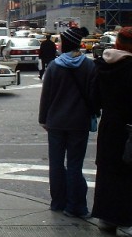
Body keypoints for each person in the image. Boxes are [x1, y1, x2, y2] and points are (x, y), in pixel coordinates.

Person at [38, 26, 95, 219]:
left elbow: (46, 96)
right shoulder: (88, 66)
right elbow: (94, 96)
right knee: (74, 165)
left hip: (55, 122)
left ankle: (58, 202)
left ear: (66, 44)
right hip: (79, 123)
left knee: (56, 163)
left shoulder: (55, 66)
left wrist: (43, 119)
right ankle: (75, 206)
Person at [91, 27, 132, 237]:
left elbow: (94, 100)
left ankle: (106, 219)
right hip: (130, 128)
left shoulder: (102, 66)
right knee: (128, 173)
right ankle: (127, 221)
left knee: (107, 171)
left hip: (109, 126)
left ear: (117, 44)